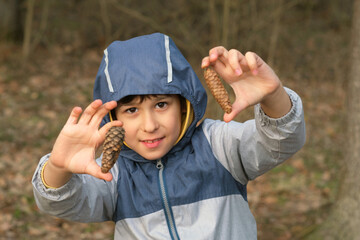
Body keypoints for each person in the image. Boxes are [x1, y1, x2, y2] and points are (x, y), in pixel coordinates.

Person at [32, 32, 306, 239]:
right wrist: (58, 167)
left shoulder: (219, 145)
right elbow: (63, 203)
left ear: (184, 104)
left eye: (161, 105)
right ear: (113, 118)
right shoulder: (112, 174)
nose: (149, 125)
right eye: (131, 110)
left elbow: (280, 140)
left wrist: (272, 96)